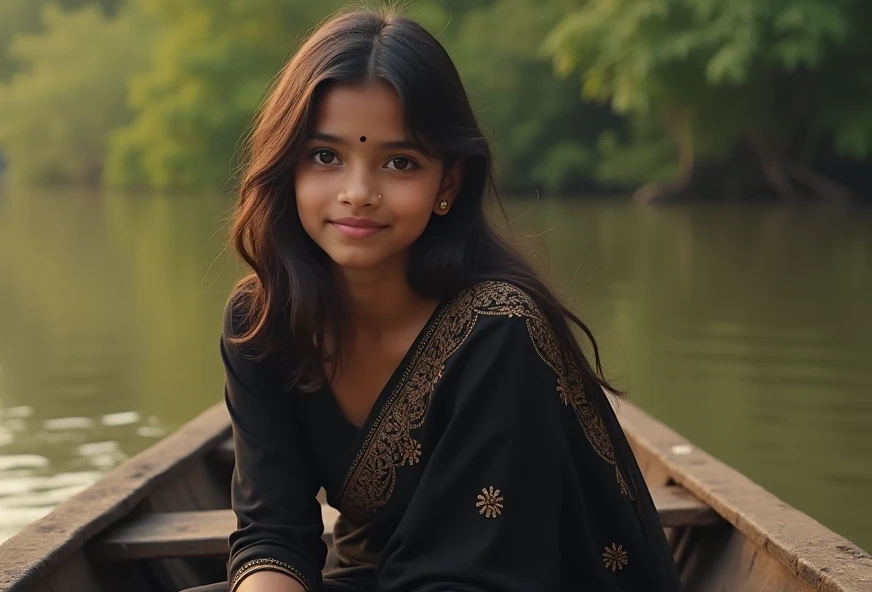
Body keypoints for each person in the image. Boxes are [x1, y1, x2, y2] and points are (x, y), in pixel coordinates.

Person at [189, 7, 682, 592]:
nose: (358, 193)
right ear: (287, 166)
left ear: (447, 183)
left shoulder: (500, 332)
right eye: (326, 156)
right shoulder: (263, 322)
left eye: (400, 163)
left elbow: (473, 572)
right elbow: (273, 533)